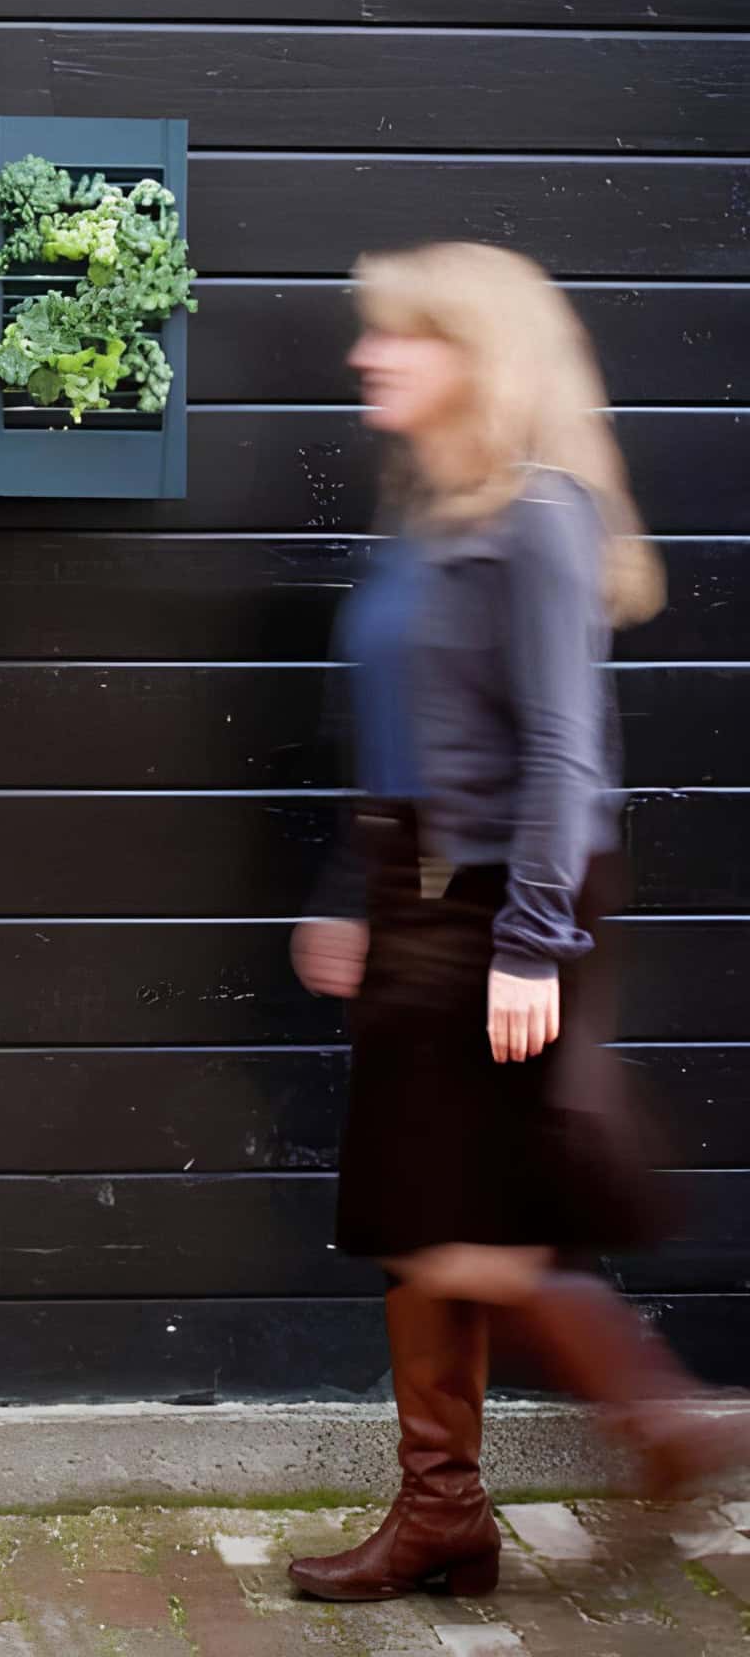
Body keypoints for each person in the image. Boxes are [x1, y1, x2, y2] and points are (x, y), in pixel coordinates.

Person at [286, 242, 749, 1604]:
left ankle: (662, 1422)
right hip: (412, 889)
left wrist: (533, 939)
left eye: (401, 338)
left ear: (479, 359)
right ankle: (448, 1511)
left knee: (458, 1224)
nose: (370, 357)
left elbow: (565, 749)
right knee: (425, 1219)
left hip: (496, 898)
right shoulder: (438, 516)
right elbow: (398, 735)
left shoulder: (536, 517)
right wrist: (346, 896)